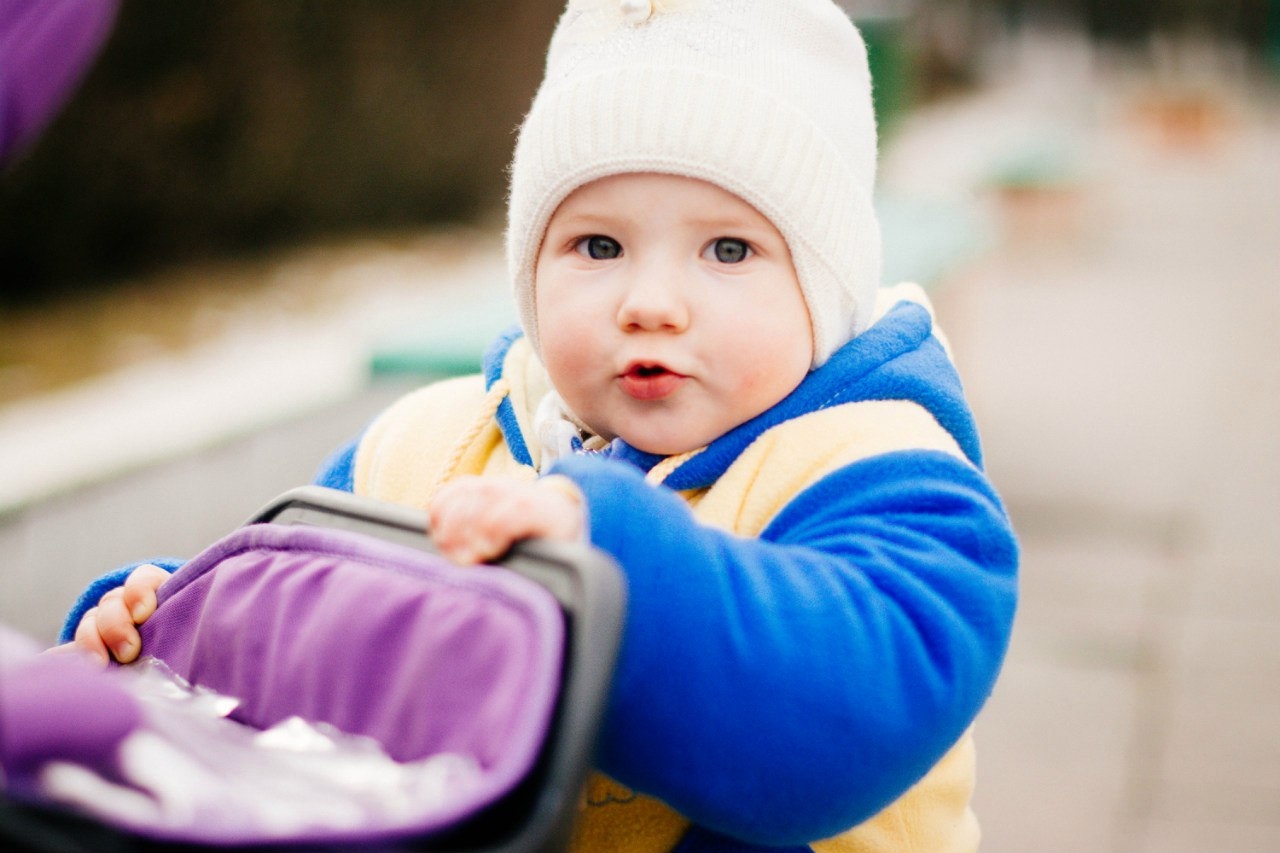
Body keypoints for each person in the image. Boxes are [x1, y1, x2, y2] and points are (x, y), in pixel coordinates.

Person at [60, 1, 1019, 850]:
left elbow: (829, 736)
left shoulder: (891, 476)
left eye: (728, 249)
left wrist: (603, 556)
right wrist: (160, 630)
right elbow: (296, 632)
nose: (650, 302)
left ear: (826, 288)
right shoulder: (429, 443)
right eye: (597, 244)